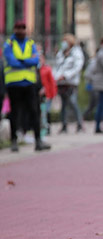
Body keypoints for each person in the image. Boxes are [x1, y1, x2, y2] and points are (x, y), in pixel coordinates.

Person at [3, 20, 50, 151]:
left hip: (29, 83)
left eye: (23, 28)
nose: (21, 31)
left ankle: (38, 141)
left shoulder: (30, 43)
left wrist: (22, 61)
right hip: (14, 84)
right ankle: (14, 141)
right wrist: (27, 61)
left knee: (34, 112)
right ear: (14, 29)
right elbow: (11, 61)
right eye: (19, 28)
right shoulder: (9, 44)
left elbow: (36, 60)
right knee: (15, 113)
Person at [54, 33, 85, 134]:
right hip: (61, 82)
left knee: (73, 102)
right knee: (63, 105)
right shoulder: (60, 53)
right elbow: (57, 66)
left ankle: (80, 124)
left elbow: (77, 67)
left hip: (71, 82)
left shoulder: (76, 53)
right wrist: (56, 77)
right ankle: (64, 125)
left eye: (66, 41)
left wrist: (66, 75)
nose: (64, 43)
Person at [38, 52, 57, 136]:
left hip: (47, 94)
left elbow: (52, 82)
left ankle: (48, 127)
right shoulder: (35, 70)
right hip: (38, 95)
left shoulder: (47, 69)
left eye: (41, 59)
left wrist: (52, 94)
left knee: (47, 111)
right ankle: (41, 127)